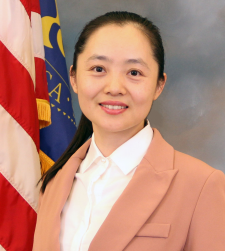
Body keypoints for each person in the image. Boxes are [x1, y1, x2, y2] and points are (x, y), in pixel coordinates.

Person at [32, 11, 225, 251]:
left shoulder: (202, 186)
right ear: (73, 78)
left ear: (159, 85)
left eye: (134, 73)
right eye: (98, 69)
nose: (114, 88)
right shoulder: (54, 182)